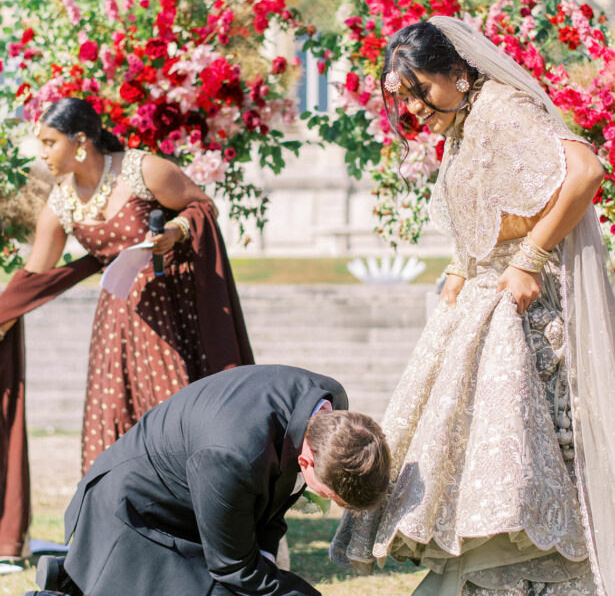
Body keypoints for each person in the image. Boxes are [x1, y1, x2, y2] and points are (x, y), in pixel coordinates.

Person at [330, 16, 615, 596]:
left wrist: (531, 257)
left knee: (535, 467)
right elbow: (493, 209)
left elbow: (585, 170)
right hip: (486, 309)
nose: (412, 110)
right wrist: (460, 268)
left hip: (525, 315)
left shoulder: (502, 108)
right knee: (483, 465)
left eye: (420, 92)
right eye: (404, 99)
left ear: (458, 73)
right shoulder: (463, 124)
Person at [0, 98, 254, 555]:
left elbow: (201, 207)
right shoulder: (61, 201)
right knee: (111, 423)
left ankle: (197, 538)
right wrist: (5, 312)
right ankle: (122, 544)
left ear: (80, 142)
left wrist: (173, 234)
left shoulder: (142, 170)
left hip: (169, 315)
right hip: (115, 324)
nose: (43, 153)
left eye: (50, 142)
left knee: (173, 417)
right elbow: (36, 275)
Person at [23, 364, 390, 596]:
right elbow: (234, 568)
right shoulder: (234, 454)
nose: (332, 505)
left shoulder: (328, 403)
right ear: (308, 459)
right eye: (331, 496)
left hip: (199, 490)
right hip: (138, 512)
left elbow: (278, 490)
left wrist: (267, 556)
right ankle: (64, 583)